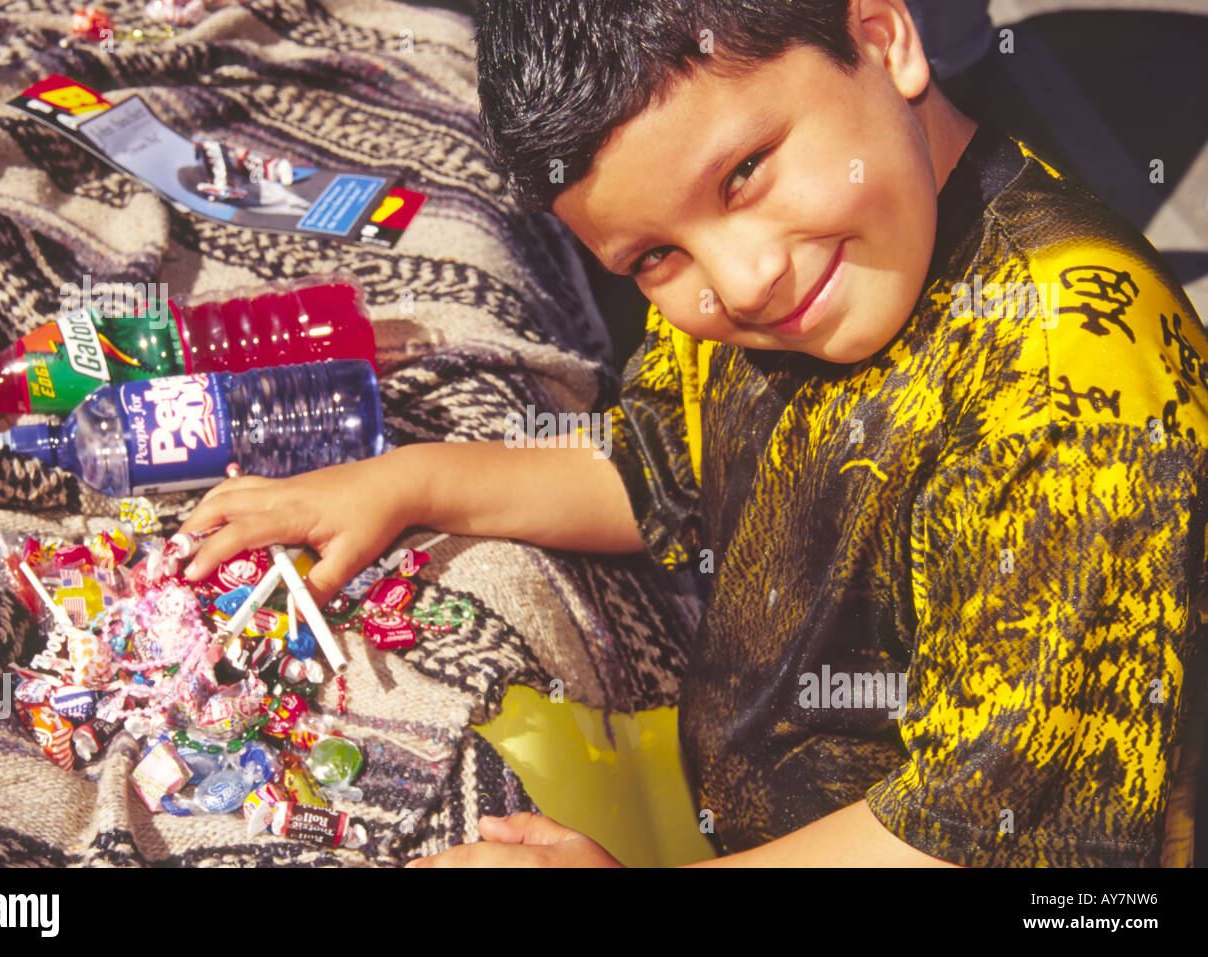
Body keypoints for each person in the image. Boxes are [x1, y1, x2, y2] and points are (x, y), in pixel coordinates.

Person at [178, 0, 1208, 867]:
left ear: (883, 37)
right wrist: (410, 482)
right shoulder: (798, 284)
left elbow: (981, 833)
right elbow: (657, 464)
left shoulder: (1078, 371)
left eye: (746, 172)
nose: (743, 278)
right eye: (655, 259)